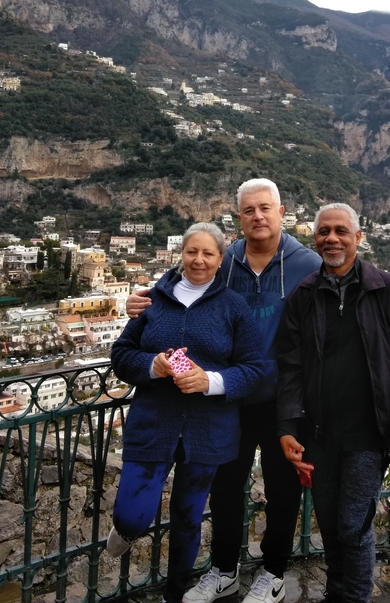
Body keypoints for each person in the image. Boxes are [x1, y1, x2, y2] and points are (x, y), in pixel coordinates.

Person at [126, 180, 390, 603]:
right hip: (226, 398)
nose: (258, 216)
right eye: (248, 210)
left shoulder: (307, 262)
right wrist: (137, 302)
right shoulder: (224, 258)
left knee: (283, 493)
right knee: (226, 489)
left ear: (282, 211)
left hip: (288, 402)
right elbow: (180, 279)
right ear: (238, 218)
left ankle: (274, 572)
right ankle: (223, 569)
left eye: (265, 207)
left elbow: (360, 282)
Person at [275, 203, 390, 603]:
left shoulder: (389, 290)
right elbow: (290, 367)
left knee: (353, 524)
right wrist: (288, 428)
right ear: (316, 239)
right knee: (329, 522)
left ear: (358, 238)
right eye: (324, 231)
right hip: (319, 434)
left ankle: (356, 596)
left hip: (368, 433)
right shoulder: (305, 295)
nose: (332, 238)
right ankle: (337, 592)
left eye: (341, 231)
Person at [107, 222, 268, 603]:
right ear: (181, 254)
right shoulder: (152, 300)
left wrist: (209, 380)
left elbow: (254, 368)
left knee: (187, 518)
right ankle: (127, 529)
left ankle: (174, 594)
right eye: (192, 252)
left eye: (207, 253)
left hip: (208, 430)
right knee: (132, 514)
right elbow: (121, 355)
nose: (198, 260)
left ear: (220, 258)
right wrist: (152, 366)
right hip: (153, 423)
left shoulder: (234, 307)